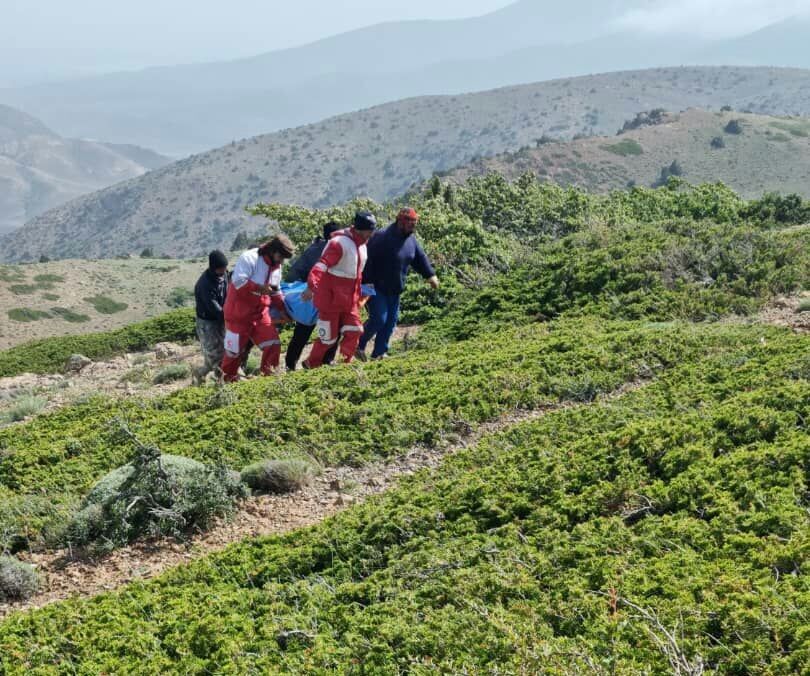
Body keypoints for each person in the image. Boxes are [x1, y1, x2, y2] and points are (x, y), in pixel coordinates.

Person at [357, 207, 438, 361]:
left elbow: (420, 259)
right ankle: (358, 344)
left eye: (414, 223)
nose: (412, 226)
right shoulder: (380, 237)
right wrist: (366, 286)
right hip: (375, 287)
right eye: (410, 223)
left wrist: (430, 275)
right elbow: (366, 261)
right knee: (379, 319)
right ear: (400, 222)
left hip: (395, 289)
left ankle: (379, 353)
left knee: (390, 322)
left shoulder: (411, 240)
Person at [301, 211, 377, 369]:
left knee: (355, 330)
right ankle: (311, 364)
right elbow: (321, 265)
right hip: (331, 299)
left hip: (350, 300)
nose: (371, 235)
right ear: (359, 229)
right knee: (327, 338)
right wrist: (311, 286)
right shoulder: (339, 243)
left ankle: (345, 365)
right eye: (369, 231)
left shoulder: (363, 245)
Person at [220, 235, 296, 381]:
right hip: (238, 314)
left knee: (273, 344)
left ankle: (268, 380)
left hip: (260, 313)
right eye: (280, 256)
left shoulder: (276, 266)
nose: (281, 261)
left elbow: (275, 290)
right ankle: (226, 382)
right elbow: (238, 282)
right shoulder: (249, 258)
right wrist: (260, 288)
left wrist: (282, 310)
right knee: (233, 352)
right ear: (273, 250)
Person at [283, 221, 340, 370]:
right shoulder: (320, 250)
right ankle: (294, 364)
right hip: (311, 296)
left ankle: (294, 363)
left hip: (322, 295)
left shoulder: (320, 248)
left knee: (315, 330)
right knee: (308, 329)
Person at [192, 250, 228, 384]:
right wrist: (230, 319)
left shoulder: (224, 275)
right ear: (214, 268)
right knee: (216, 356)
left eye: (225, 268)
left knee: (218, 355)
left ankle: (199, 375)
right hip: (208, 323)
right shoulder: (204, 285)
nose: (224, 271)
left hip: (221, 319)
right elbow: (215, 309)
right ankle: (223, 385)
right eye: (221, 269)